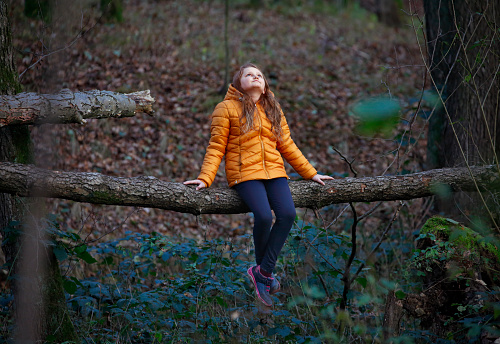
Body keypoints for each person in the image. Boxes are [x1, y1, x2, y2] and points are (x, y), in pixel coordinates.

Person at [184, 63, 333, 307]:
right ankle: (265, 275)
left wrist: (311, 173)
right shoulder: (226, 108)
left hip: (275, 172)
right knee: (264, 216)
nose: (255, 77)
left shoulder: (272, 108)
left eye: (260, 75)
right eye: (249, 74)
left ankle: (262, 272)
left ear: (264, 87)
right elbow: (216, 146)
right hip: (245, 173)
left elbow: (287, 145)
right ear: (238, 82)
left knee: (287, 214)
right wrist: (205, 178)